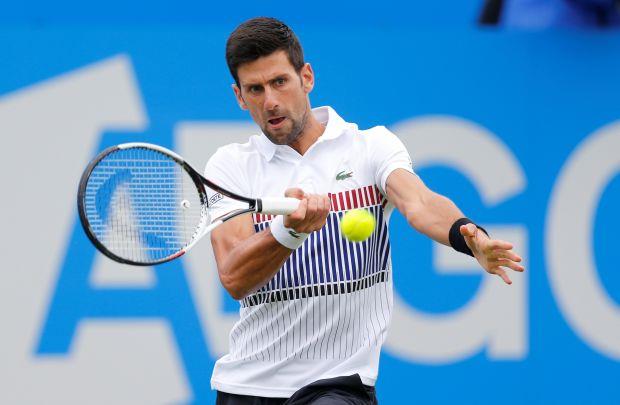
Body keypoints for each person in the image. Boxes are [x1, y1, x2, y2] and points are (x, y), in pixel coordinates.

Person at [206, 17, 525, 404]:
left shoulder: (370, 147)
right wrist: (289, 232)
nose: (270, 100)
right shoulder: (230, 167)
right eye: (255, 89)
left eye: (280, 82)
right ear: (239, 97)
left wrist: (466, 235)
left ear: (306, 77)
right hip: (246, 387)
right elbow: (234, 276)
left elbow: (419, 203)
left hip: (337, 384)